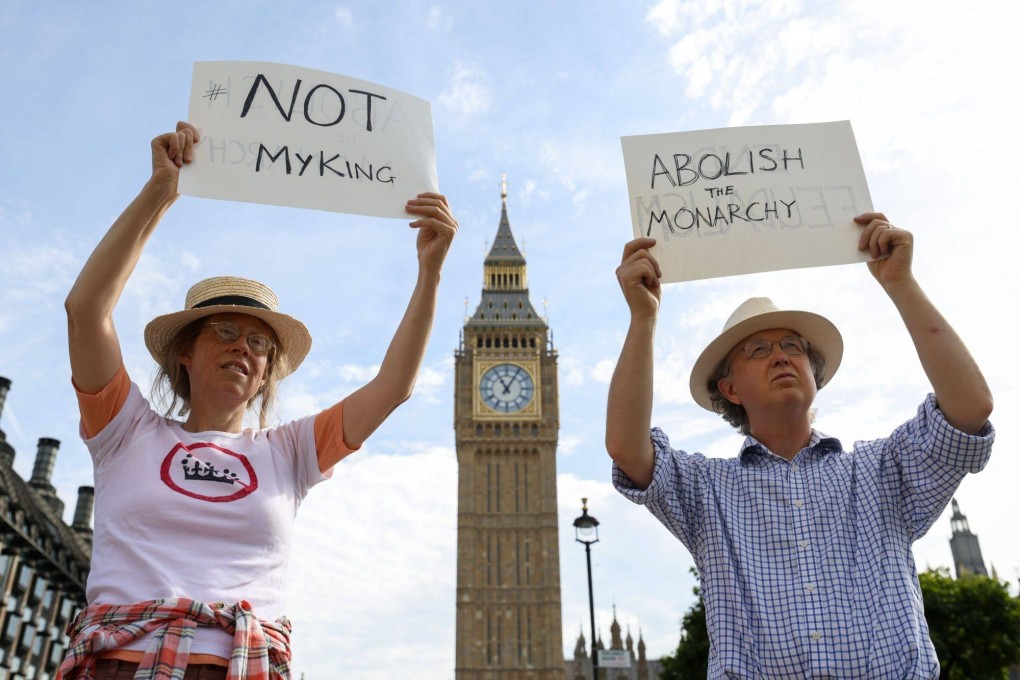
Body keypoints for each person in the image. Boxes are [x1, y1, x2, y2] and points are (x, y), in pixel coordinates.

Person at [59, 122, 458, 680]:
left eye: (260, 343)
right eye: (224, 331)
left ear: (268, 372)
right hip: (123, 663)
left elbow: (393, 388)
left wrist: (430, 272)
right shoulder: (124, 428)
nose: (243, 347)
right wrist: (160, 193)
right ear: (185, 353)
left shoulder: (291, 451)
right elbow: (86, 309)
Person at [605, 214, 994, 679]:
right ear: (729, 390)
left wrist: (901, 283)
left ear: (815, 375)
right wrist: (643, 318)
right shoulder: (708, 489)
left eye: (793, 345)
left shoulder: (880, 470)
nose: (781, 355)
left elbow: (970, 409)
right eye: (757, 350)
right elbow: (627, 447)